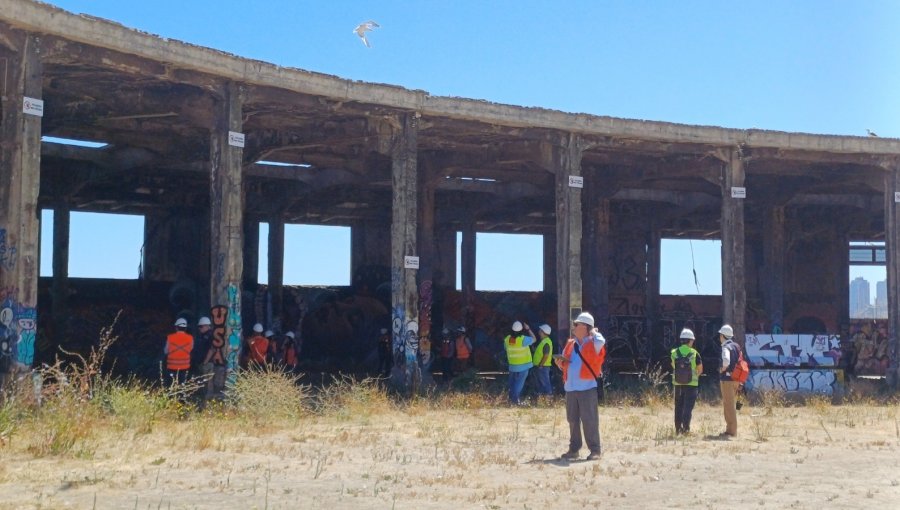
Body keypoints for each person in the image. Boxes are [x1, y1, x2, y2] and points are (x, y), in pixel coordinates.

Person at [555, 312, 605, 461]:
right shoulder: (570, 344)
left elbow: (601, 341)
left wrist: (594, 332)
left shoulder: (594, 342)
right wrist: (560, 364)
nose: (574, 327)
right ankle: (574, 450)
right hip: (570, 387)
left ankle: (595, 450)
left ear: (585, 327)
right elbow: (565, 364)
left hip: (587, 387)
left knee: (590, 420)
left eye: (577, 325)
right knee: (572, 420)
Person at [671, 328, 703, 435]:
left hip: (678, 384)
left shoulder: (674, 353)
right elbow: (700, 369)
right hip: (691, 385)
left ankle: (677, 429)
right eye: (692, 340)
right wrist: (694, 376)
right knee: (687, 408)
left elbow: (673, 366)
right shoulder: (694, 353)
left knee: (678, 407)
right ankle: (686, 430)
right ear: (690, 341)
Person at [503, 321, 535, 405]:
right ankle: (515, 401)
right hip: (523, 366)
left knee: (512, 383)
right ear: (521, 330)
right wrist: (528, 329)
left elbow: (506, 349)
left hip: (512, 366)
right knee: (518, 384)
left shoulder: (507, 339)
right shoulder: (523, 339)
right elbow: (534, 339)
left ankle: (510, 400)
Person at [718, 324, 740, 438]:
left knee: (728, 405)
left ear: (722, 336)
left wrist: (723, 368)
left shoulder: (725, 347)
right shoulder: (736, 346)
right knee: (731, 404)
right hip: (736, 379)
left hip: (727, 379)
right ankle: (731, 429)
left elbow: (726, 361)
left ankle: (731, 431)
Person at [164, 317, 194, 386]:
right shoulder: (190, 338)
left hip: (171, 367)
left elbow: (165, 351)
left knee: (171, 385)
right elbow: (191, 349)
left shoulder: (170, 337)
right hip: (184, 367)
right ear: (185, 328)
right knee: (182, 385)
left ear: (176, 327)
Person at [532, 324, 554, 396]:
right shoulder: (544, 341)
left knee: (545, 383)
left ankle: (548, 398)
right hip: (540, 366)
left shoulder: (546, 342)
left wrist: (541, 365)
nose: (539, 331)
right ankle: (543, 399)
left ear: (542, 332)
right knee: (540, 384)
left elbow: (546, 355)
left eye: (540, 330)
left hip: (542, 366)